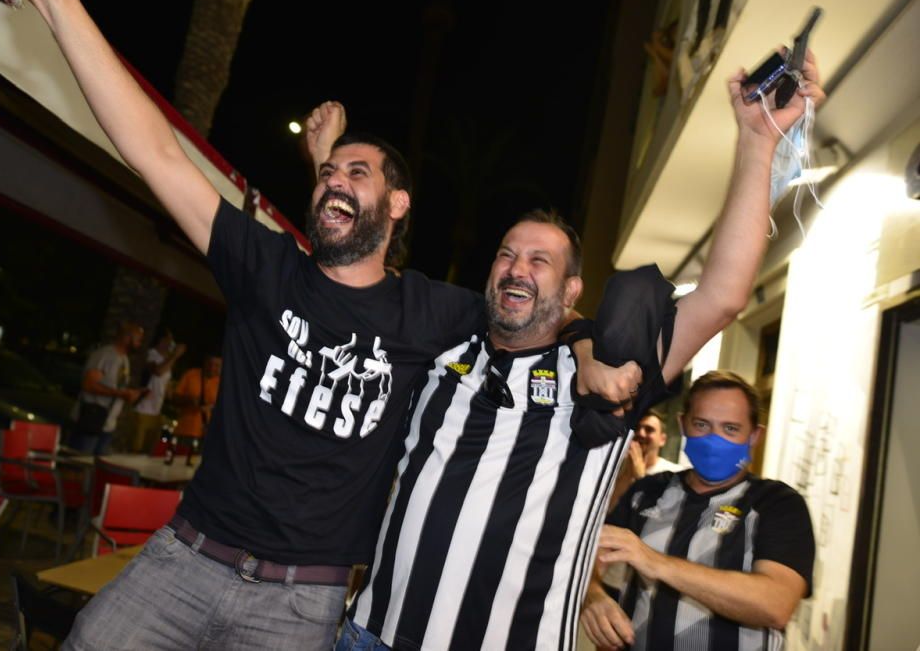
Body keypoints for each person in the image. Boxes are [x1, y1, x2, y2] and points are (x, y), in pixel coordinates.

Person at [16, 0, 604, 649]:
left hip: (300, 605)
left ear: (399, 203)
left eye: (358, 172)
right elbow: (156, 153)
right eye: (327, 174)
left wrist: (584, 345)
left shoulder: (431, 310)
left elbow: (529, 310)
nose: (334, 181)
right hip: (182, 562)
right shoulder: (264, 267)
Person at [337, 54, 825, 650]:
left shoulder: (606, 375)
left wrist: (755, 143)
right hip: (373, 637)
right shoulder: (442, 350)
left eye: (540, 261)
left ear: (570, 291)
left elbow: (722, 296)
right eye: (507, 255)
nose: (517, 268)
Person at [581, 371, 814, 651]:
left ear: (754, 436)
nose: (714, 440)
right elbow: (588, 554)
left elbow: (776, 603)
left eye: (730, 429)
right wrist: (593, 596)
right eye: (702, 424)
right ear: (683, 425)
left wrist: (656, 563)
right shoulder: (647, 491)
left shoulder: (777, 504)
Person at [70, 321, 145, 455]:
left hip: (107, 423)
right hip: (90, 419)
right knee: (79, 464)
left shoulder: (124, 359)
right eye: (138, 340)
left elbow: (117, 387)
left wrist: (130, 394)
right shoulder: (105, 355)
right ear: (127, 338)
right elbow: (89, 384)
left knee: (95, 468)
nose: (139, 344)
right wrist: (120, 394)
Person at [129, 328, 187, 452]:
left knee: (148, 450)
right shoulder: (151, 354)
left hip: (156, 411)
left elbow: (165, 385)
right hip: (142, 409)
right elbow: (159, 371)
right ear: (161, 341)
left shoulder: (166, 359)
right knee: (135, 448)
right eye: (168, 340)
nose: (171, 343)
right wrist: (175, 356)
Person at [172, 353, 221, 440]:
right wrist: (189, 400)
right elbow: (174, 397)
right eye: (210, 364)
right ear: (205, 363)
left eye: (217, 365)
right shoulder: (191, 374)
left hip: (209, 434)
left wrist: (211, 407)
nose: (212, 368)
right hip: (186, 430)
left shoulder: (224, 383)